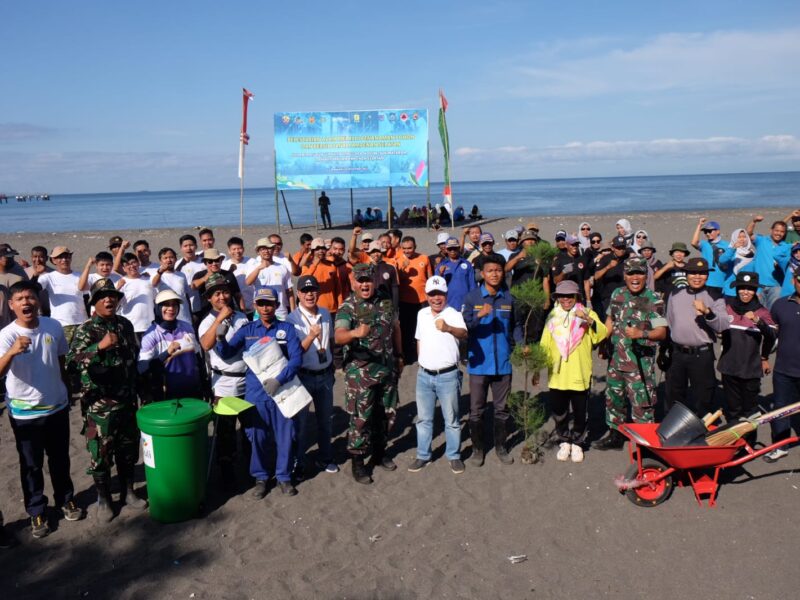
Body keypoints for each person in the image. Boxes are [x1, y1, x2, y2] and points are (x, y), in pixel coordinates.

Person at [0, 281, 83, 539]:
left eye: (31, 297)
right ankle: (36, 510)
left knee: (60, 458)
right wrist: (12, 352)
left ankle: (66, 499)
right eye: (20, 299)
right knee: (31, 465)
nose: (26, 302)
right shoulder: (6, 335)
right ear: (12, 306)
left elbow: (60, 361)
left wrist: (67, 390)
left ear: (38, 301)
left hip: (56, 406)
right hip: (25, 414)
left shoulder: (53, 325)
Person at [67, 278, 145, 522]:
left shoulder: (126, 325)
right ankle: (103, 498)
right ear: (94, 302)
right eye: (102, 296)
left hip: (127, 401)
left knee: (128, 450)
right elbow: (72, 363)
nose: (109, 299)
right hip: (99, 406)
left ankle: (128, 492)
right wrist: (98, 347)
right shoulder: (86, 329)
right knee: (100, 455)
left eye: (112, 295)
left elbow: (133, 358)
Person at [216, 287, 302, 497]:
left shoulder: (287, 329)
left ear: (276, 305)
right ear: (255, 305)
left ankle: (283, 476)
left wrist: (279, 379)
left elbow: (296, 359)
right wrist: (221, 339)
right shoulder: (247, 330)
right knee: (258, 437)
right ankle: (261, 477)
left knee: (285, 435)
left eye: (269, 303)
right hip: (256, 393)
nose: (265, 308)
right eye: (261, 303)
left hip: (283, 391)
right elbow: (227, 353)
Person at [335, 264, 403, 484]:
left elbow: (396, 327)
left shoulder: (384, 300)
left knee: (386, 414)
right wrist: (355, 332)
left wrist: (400, 356)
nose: (365, 284)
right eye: (360, 280)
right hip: (360, 373)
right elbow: (339, 336)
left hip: (386, 368)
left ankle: (380, 453)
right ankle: (358, 462)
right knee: (361, 418)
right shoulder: (348, 306)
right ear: (353, 282)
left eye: (368, 280)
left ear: (374, 281)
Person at [592, 258, 668, 450]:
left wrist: (641, 333)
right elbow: (610, 320)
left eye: (639, 273)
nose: (635, 277)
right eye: (631, 273)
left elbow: (661, 332)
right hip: (616, 361)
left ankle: (645, 444)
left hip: (639, 366)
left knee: (642, 404)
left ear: (646, 275)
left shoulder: (653, 299)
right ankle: (615, 436)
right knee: (614, 399)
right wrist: (601, 341)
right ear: (625, 275)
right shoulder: (618, 294)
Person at [462, 256, 522, 466]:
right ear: (482, 274)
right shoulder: (472, 298)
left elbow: (516, 325)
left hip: (503, 364)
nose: (495, 274)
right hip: (479, 365)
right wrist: (479, 316)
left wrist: (521, 344)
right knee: (476, 409)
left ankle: (501, 447)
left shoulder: (509, 298)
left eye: (498, 270)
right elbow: (465, 328)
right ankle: (478, 450)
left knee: (501, 409)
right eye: (490, 270)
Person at [539, 280, 608, 462]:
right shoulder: (552, 316)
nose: (566, 299)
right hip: (557, 372)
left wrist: (588, 319)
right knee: (559, 410)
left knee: (580, 411)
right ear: (557, 297)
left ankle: (577, 442)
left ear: (576, 296)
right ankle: (564, 440)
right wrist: (537, 367)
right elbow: (545, 343)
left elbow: (602, 333)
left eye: (570, 295)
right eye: (562, 296)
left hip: (579, 371)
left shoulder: (587, 313)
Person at [408, 275, 468, 474]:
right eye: (432, 294)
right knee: (424, 419)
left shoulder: (453, 313)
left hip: (448, 375)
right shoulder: (421, 314)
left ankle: (454, 455)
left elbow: (464, 334)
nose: (436, 298)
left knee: (451, 419)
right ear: (426, 295)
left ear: (446, 295)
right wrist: (422, 362)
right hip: (424, 375)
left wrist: (448, 328)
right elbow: (419, 339)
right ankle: (423, 455)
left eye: (440, 294)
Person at [198, 273, 250, 487]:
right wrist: (220, 319)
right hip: (224, 386)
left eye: (225, 292)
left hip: (247, 382)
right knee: (225, 433)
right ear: (209, 298)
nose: (221, 297)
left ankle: (251, 468)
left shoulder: (241, 317)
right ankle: (227, 474)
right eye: (216, 293)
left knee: (250, 431)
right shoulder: (207, 321)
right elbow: (206, 344)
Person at [664, 257, 729, 416]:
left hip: (702, 355)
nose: (697, 276)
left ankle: (700, 432)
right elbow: (670, 321)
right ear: (686, 274)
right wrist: (665, 349)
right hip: (677, 353)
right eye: (693, 273)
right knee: (674, 395)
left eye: (701, 273)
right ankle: (674, 432)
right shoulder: (675, 293)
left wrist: (708, 312)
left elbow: (723, 325)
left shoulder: (715, 295)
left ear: (707, 275)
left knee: (703, 397)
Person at [717, 272, 776, 444]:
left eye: (749, 289)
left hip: (750, 370)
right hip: (728, 367)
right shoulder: (727, 308)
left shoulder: (763, 312)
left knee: (749, 411)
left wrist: (758, 321)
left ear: (755, 291)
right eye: (742, 288)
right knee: (733, 410)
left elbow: (772, 336)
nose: (745, 292)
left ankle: (749, 444)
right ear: (737, 289)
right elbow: (716, 326)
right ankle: (734, 443)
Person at [286, 276, 337, 474]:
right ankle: (299, 462)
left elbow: (331, 341)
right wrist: (310, 336)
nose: (309, 294)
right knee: (300, 424)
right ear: (298, 294)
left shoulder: (325, 313)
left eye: (313, 290)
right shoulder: (292, 319)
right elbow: (295, 352)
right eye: (305, 291)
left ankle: (325, 458)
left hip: (325, 374)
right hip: (303, 377)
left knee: (325, 421)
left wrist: (333, 366)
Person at [138, 289, 202, 401]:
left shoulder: (187, 327)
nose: (171, 308)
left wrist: (204, 384)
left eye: (174, 305)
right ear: (158, 308)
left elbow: (197, 357)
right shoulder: (151, 335)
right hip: (167, 397)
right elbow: (142, 368)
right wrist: (167, 353)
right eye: (166, 305)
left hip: (193, 392)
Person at [765, 269, 800, 462]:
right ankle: (780, 446)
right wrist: (763, 358)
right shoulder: (780, 305)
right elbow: (772, 335)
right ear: (794, 281)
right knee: (780, 409)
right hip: (783, 370)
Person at [36, 246, 88, 345]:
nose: (64, 260)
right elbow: (34, 288)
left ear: (71, 258)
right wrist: (35, 274)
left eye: (67, 256)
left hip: (82, 324)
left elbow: (87, 298)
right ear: (53, 260)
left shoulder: (80, 276)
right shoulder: (48, 277)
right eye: (60, 257)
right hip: (60, 325)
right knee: (63, 357)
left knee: (83, 357)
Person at [393, 236, 432, 364]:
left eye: (409, 248)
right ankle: (408, 355)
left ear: (415, 247)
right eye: (404, 248)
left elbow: (430, 278)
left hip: (423, 300)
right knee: (406, 329)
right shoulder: (397, 260)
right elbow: (395, 282)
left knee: (423, 327)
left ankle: (425, 353)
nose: (407, 251)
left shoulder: (424, 258)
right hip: (405, 301)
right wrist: (401, 269)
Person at [245, 237, 295, 320]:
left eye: (269, 248)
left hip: (280, 312)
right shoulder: (253, 266)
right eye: (263, 249)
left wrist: (293, 311)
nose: (266, 251)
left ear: (273, 249)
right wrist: (259, 268)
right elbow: (248, 282)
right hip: (260, 311)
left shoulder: (282, 267)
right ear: (258, 252)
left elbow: (289, 291)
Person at [746, 215, 789, 310]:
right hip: (758, 284)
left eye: (782, 232)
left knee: (773, 312)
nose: (779, 233)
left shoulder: (786, 246)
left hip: (776, 286)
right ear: (771, 230)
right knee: (757, 311)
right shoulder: (762, 240)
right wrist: (754, 221)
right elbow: (748, 233)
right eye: (777, 230)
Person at [191, 248, 243, 316]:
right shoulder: (199, 275)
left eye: (217, 260)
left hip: (228, 313)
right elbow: (193, 286)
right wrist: (206, 277)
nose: (214, 263)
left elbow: (237, 295)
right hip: (207, 314)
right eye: (210, 261)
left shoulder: (229, 274)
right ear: (205, 263)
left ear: (221, 261)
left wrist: (243, 312)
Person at [116, 253, 156, 340]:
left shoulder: (148, 279)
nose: (131, 266)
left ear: (138, 263)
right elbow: (114, 305)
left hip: (150, 325)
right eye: (127, 265)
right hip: (131, 327)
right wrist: (118, 288)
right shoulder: (121, 283)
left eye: (133, 262)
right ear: (123, 268)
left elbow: (155, 300)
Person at [592, 235, 630, 322]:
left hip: (625, 296)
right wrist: (608, 267)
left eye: (623, 247)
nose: (621, 250)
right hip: (609, 298)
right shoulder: (606, 259)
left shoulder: (628, 259)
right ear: (613, 248)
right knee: (609, 322)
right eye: (618, 247)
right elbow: (596, 276)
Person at [151, 247, 192, 325]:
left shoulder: (181, 275)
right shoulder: (156, 275)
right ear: (160, 261)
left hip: (184, 316)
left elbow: (186, 295)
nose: (169, 260)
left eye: (171, 257)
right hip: (166, 317)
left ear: (176, 259)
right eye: (165, 258)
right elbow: (154, 283)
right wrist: (160, 272)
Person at [300, 238, 341, 315]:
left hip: (332, 309)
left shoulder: (332, 265)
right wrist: (314, 265)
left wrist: (340, 305)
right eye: (317, 249)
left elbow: (338, 288)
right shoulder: (307, 266)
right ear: (312, 251)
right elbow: (303, 280)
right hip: (314, 310)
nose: (321, 251)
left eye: (323, 248)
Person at [690, 218, 729, 298]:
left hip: (724, 282)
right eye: (705, 232)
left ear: (718, 231)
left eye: (710, 231)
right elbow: (693, 242)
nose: (707, 234)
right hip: (709, 282)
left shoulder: (727, 245)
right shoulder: (704, 244)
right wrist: (699, 225)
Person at [435, 237, 476, 312]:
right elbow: (436, 286)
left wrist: (472, 301)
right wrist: (440, 274)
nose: (452, 251)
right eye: (450, 249)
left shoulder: (467, 264)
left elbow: (472, 285)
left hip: (465, 303)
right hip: (448, 304)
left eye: (455, 248)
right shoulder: (441, 265)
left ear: (459, 248)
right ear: (446, 250)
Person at [550, 235, 590, 303]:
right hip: (564, 297)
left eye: (576, 244)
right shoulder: (559, 259)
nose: (575, 247)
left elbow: (586, 281)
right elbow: (555, 281)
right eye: (572, 245)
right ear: (566, 245)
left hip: (579, 297)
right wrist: (564, 272)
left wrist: (589, 301)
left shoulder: (583, 259)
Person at [175, 235, 205, 325]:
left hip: (206, 303)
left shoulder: (204, 261)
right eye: (185, 246)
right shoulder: (178, 265)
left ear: (196, 246)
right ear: (181, 248)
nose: (189, 248)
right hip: (190, 306)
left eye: (191, 245)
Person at [222, 236, 255, 316]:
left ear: (243, 249)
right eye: (234, 249)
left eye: (239, 248)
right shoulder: (224, 265)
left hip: (253, 305)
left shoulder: (252, 262)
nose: (237, 251)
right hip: (234, 307)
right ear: (229, 251)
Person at [718, 229, 756, 297]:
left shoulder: (752, 253)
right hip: (731, 291)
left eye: (744, 237)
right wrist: (733, 248)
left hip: (747, 292)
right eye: (739, 237)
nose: (742, 239)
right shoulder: (731, 251)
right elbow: (722, 260)